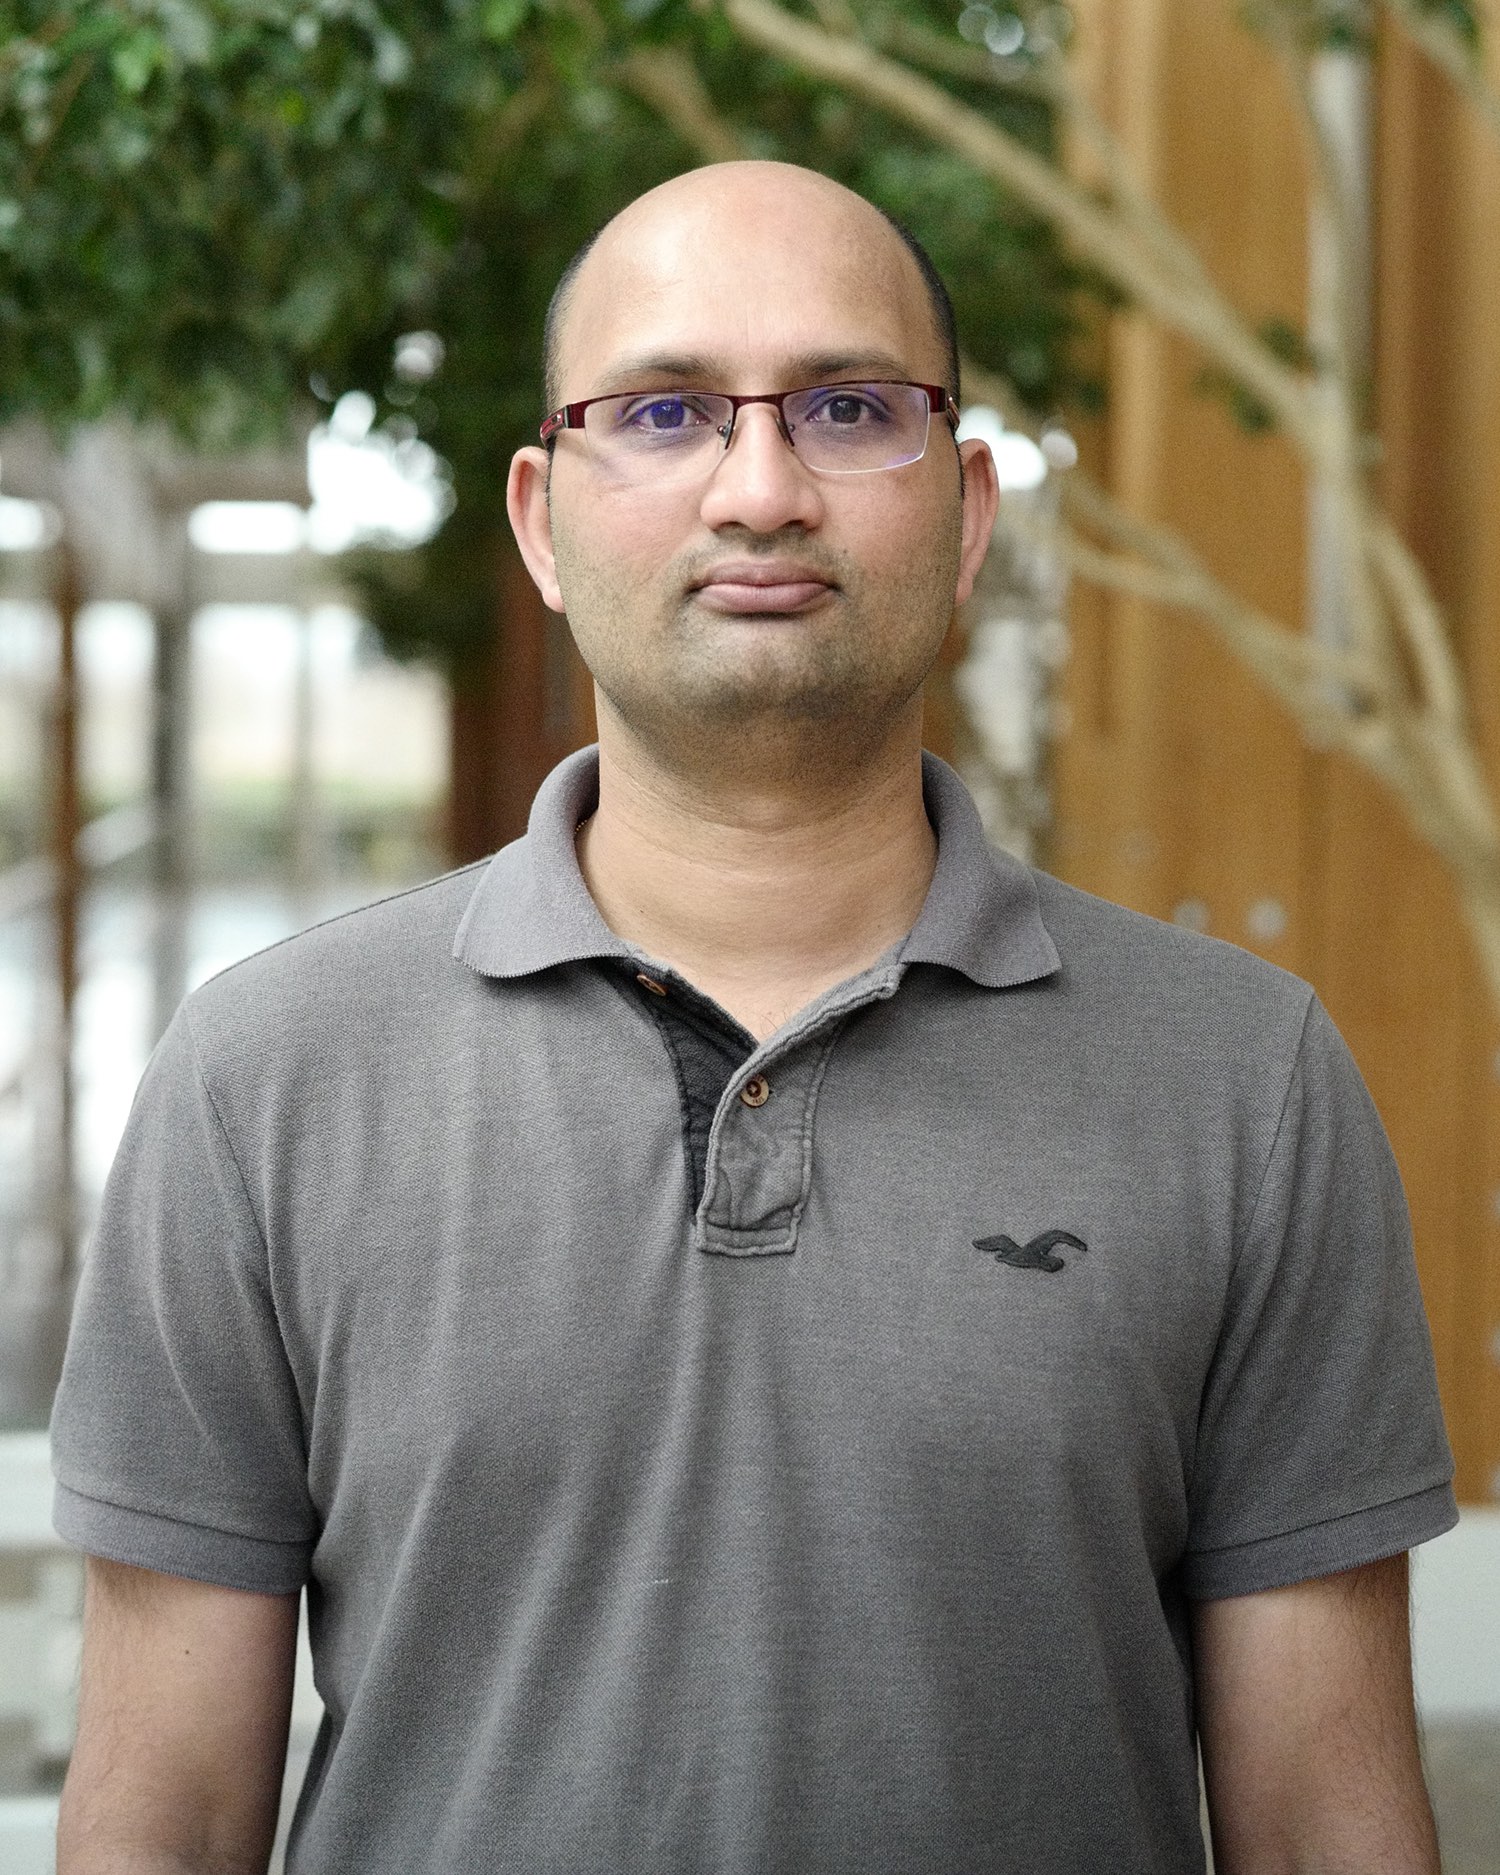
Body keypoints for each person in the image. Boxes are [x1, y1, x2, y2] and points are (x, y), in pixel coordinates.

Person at [51, 161, 1456, 1875]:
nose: (761, 486)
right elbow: (162, 1830)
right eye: (662, 410)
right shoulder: (261, 1081)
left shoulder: (1248, 1083)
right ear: (539, 520)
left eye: (850, 407)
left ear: (966, 512)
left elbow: (1327, 1832)